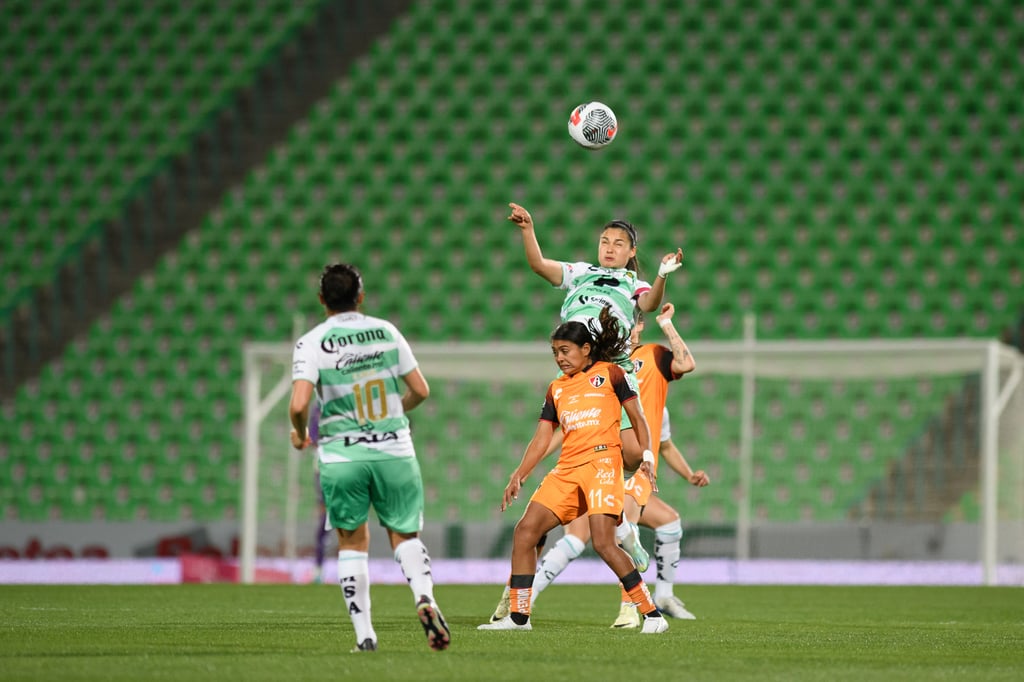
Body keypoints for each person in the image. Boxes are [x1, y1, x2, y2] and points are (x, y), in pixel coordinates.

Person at [488, 303, 708, 627]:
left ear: (586, 348)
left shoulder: (612, 374)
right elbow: (541, 438)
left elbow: (639, 418)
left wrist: (647, 458)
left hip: (604, 463)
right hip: (567, 469)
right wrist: (518, 474)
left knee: (604, 542)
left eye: (565, 351)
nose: (560, 358)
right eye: (555, 352)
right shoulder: (557, 388)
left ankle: (651, 615)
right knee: (525, 531)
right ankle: (519, 617)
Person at [288, 263, 451, 653]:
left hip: (342, 456)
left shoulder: (312, 342)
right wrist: (397, 409)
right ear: (360, 297)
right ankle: (424, 598)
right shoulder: (386, 331)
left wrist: (300, 432)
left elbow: (299, 403)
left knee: (351, 541)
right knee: (405, 534)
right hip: (394, 447)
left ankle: (365, 636)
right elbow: (421, 390)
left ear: (321, 300)